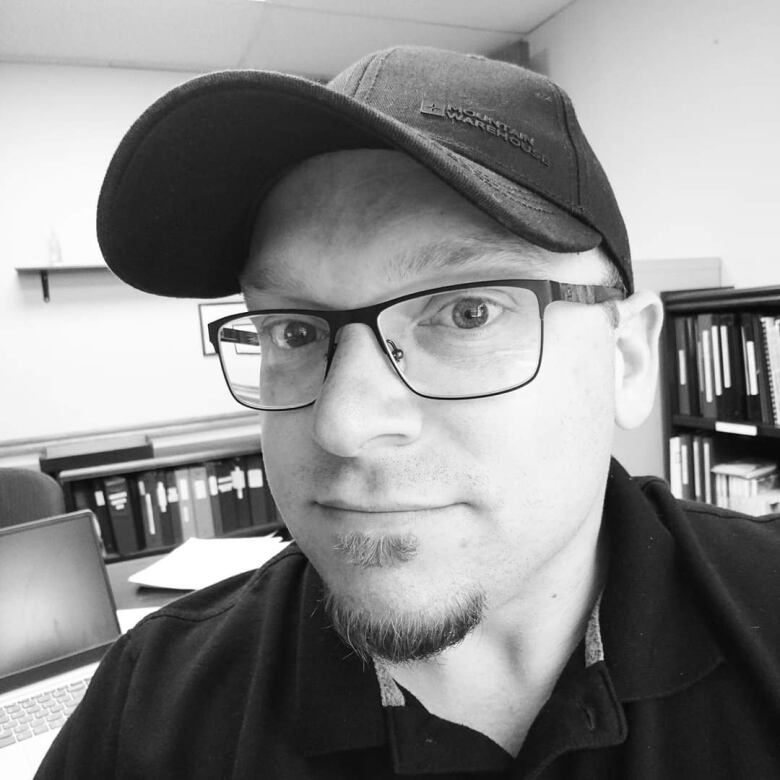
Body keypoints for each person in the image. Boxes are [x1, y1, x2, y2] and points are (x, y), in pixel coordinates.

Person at [37, 46, 779, 779]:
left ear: (629, 359)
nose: (343, 424)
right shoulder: (149, 715)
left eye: (466, 313)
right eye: (293, 331)